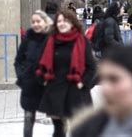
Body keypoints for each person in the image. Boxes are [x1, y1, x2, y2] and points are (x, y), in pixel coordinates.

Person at [35, 9, 96, 137]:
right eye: (59, 21)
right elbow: (40, 64)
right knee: (59, 131)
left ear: (73, 23)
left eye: (65, 21)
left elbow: (92, 67)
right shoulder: (50, 40)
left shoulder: (81, 41)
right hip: (55, 92)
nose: (62, 24)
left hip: (77, 93)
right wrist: (43, 80)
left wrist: (83, 83)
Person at [14, 10, 53, 137]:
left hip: (47, 85)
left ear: (45, 22)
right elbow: (18, 60)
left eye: (38, 21)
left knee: (57, 120)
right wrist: (22, 77)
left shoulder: (51, 38)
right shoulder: (28, 39)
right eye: (33, 22)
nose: (36, 24)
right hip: (30, 85)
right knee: (28, 119)